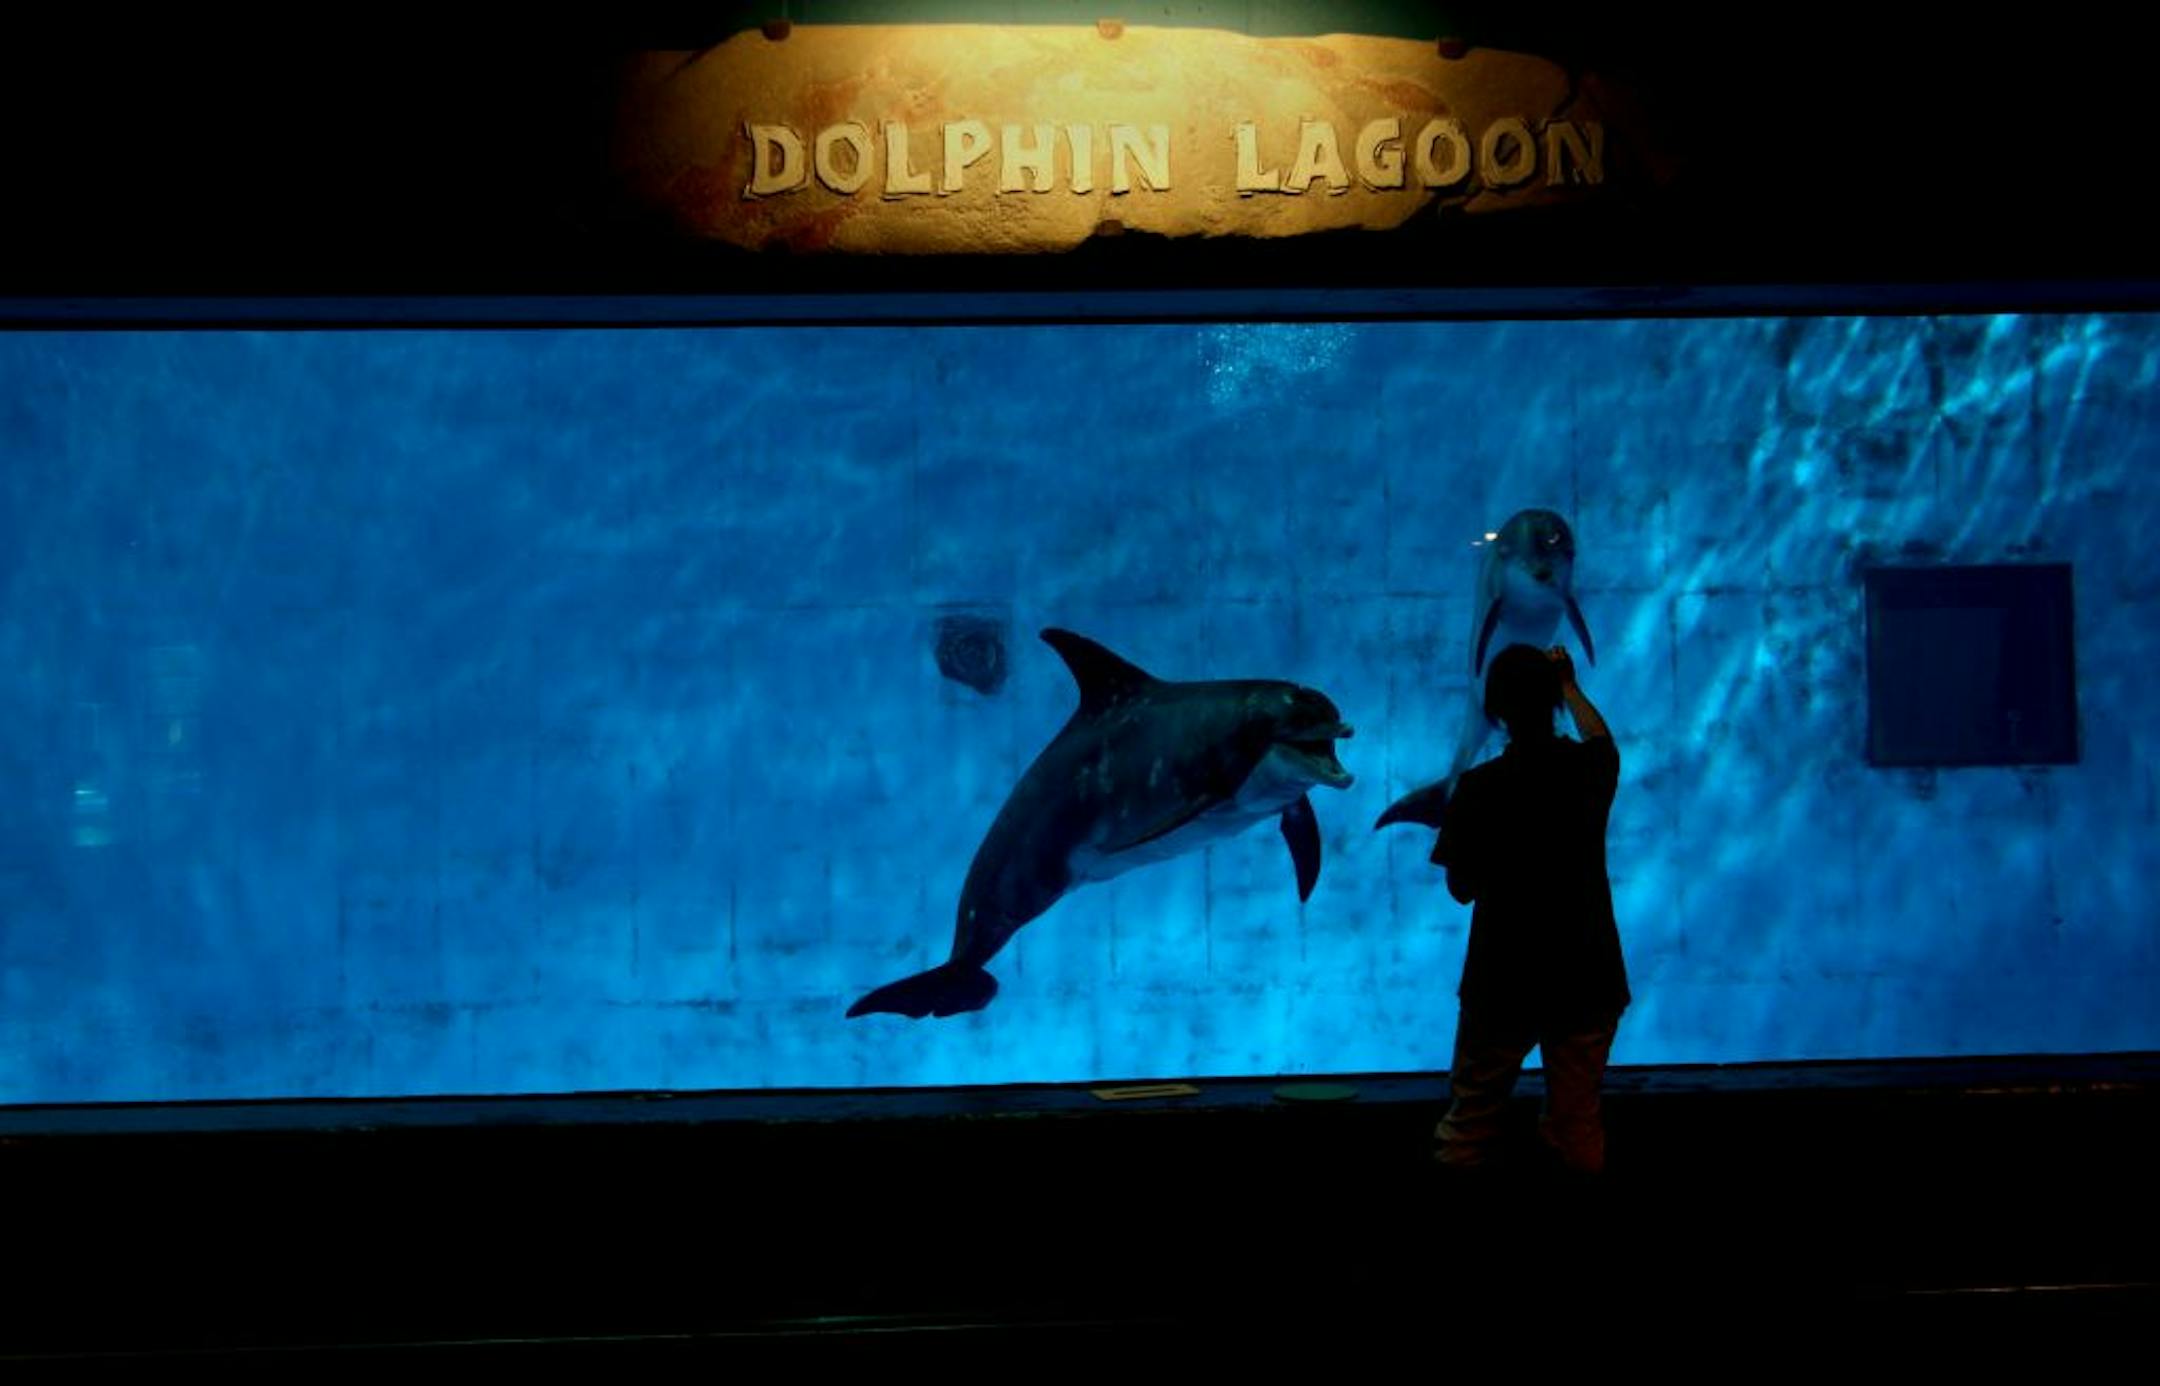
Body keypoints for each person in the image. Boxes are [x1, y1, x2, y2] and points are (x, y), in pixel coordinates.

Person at [1430, 643, 1628, 1176]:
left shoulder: (1477, 789)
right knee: (1577, 1125)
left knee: (1470, 1122)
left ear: (1495, 713)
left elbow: (1460, 888)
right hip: (1587, 975)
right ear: (1553, 703)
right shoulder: (1590, 770)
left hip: (1502, 980)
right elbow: (1602, 739)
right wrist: (1569, 686)